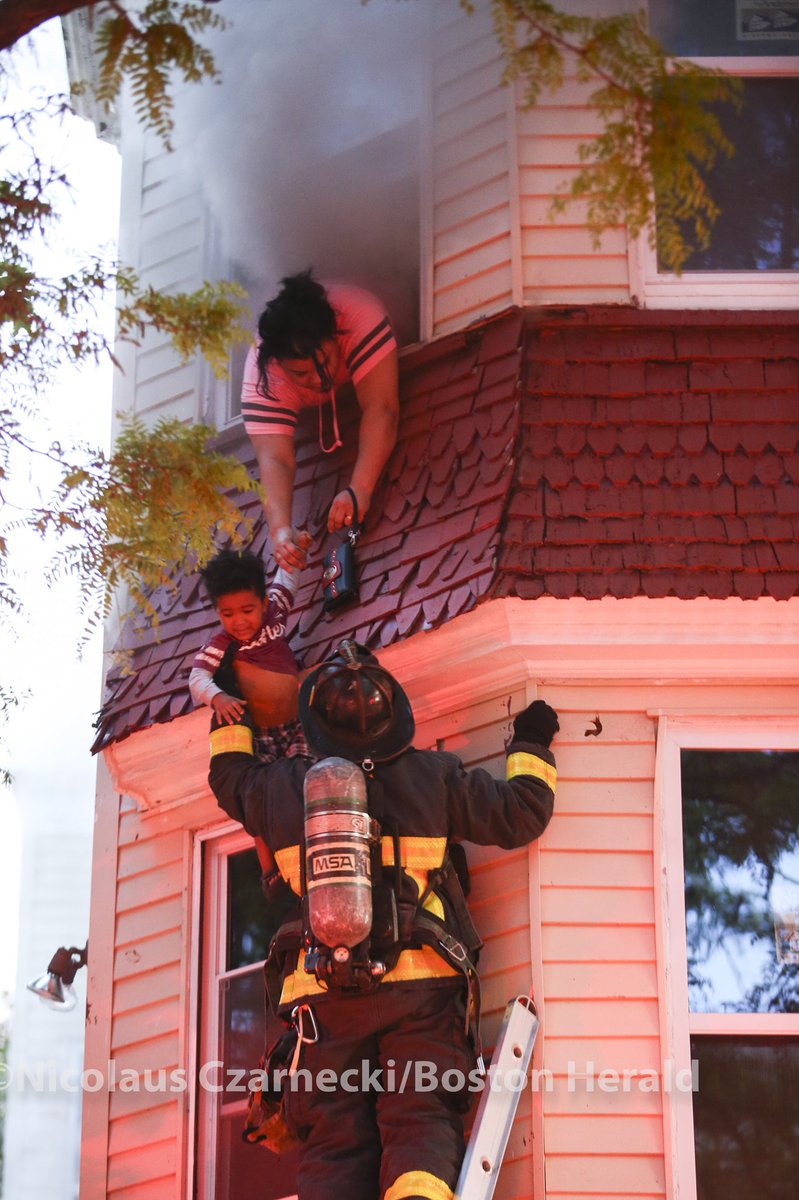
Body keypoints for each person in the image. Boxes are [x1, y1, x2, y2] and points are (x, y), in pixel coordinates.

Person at [208, 639, 559, 1200]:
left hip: (324, 1001)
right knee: (419, 1118)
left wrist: (229, 707)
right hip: (421, 991)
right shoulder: (434, 776)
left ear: (316, 726)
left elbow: (229, 777)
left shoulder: (281, 789)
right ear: (394, 717)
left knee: (334, 1142)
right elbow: (522, 813)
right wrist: (534, 737)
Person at [240, 271, 400, 572]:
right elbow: (275, 459)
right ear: (276, 365)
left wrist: (359, 489)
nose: (318, 379)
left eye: (324, 362)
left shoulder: (361, 314)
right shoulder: (261, 378)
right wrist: (281, 531)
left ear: (336, 335)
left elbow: (383, 409)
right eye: (300, 375)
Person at [189, 548, 309, 761]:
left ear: (263, 604)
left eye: (247, 610)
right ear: (218, 612)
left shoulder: (276, 609)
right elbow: (197, 677)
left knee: (308, 775)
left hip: (299, 721)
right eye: (228, 614)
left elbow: (288, 577)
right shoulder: (222, 644)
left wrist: (298, 546)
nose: (239, 621)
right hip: (261, 737)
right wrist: (218, 697)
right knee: (273, 787)